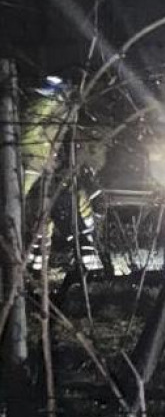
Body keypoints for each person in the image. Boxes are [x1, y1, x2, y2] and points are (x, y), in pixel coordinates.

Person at [20, 75, 103, 271]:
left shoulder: (55, 113)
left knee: (44, 220)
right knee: (42, 217)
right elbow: (31, 137)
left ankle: (36, 268)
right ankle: (34, 268)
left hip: (45, 171)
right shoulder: (39, 110)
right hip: (36, 170)